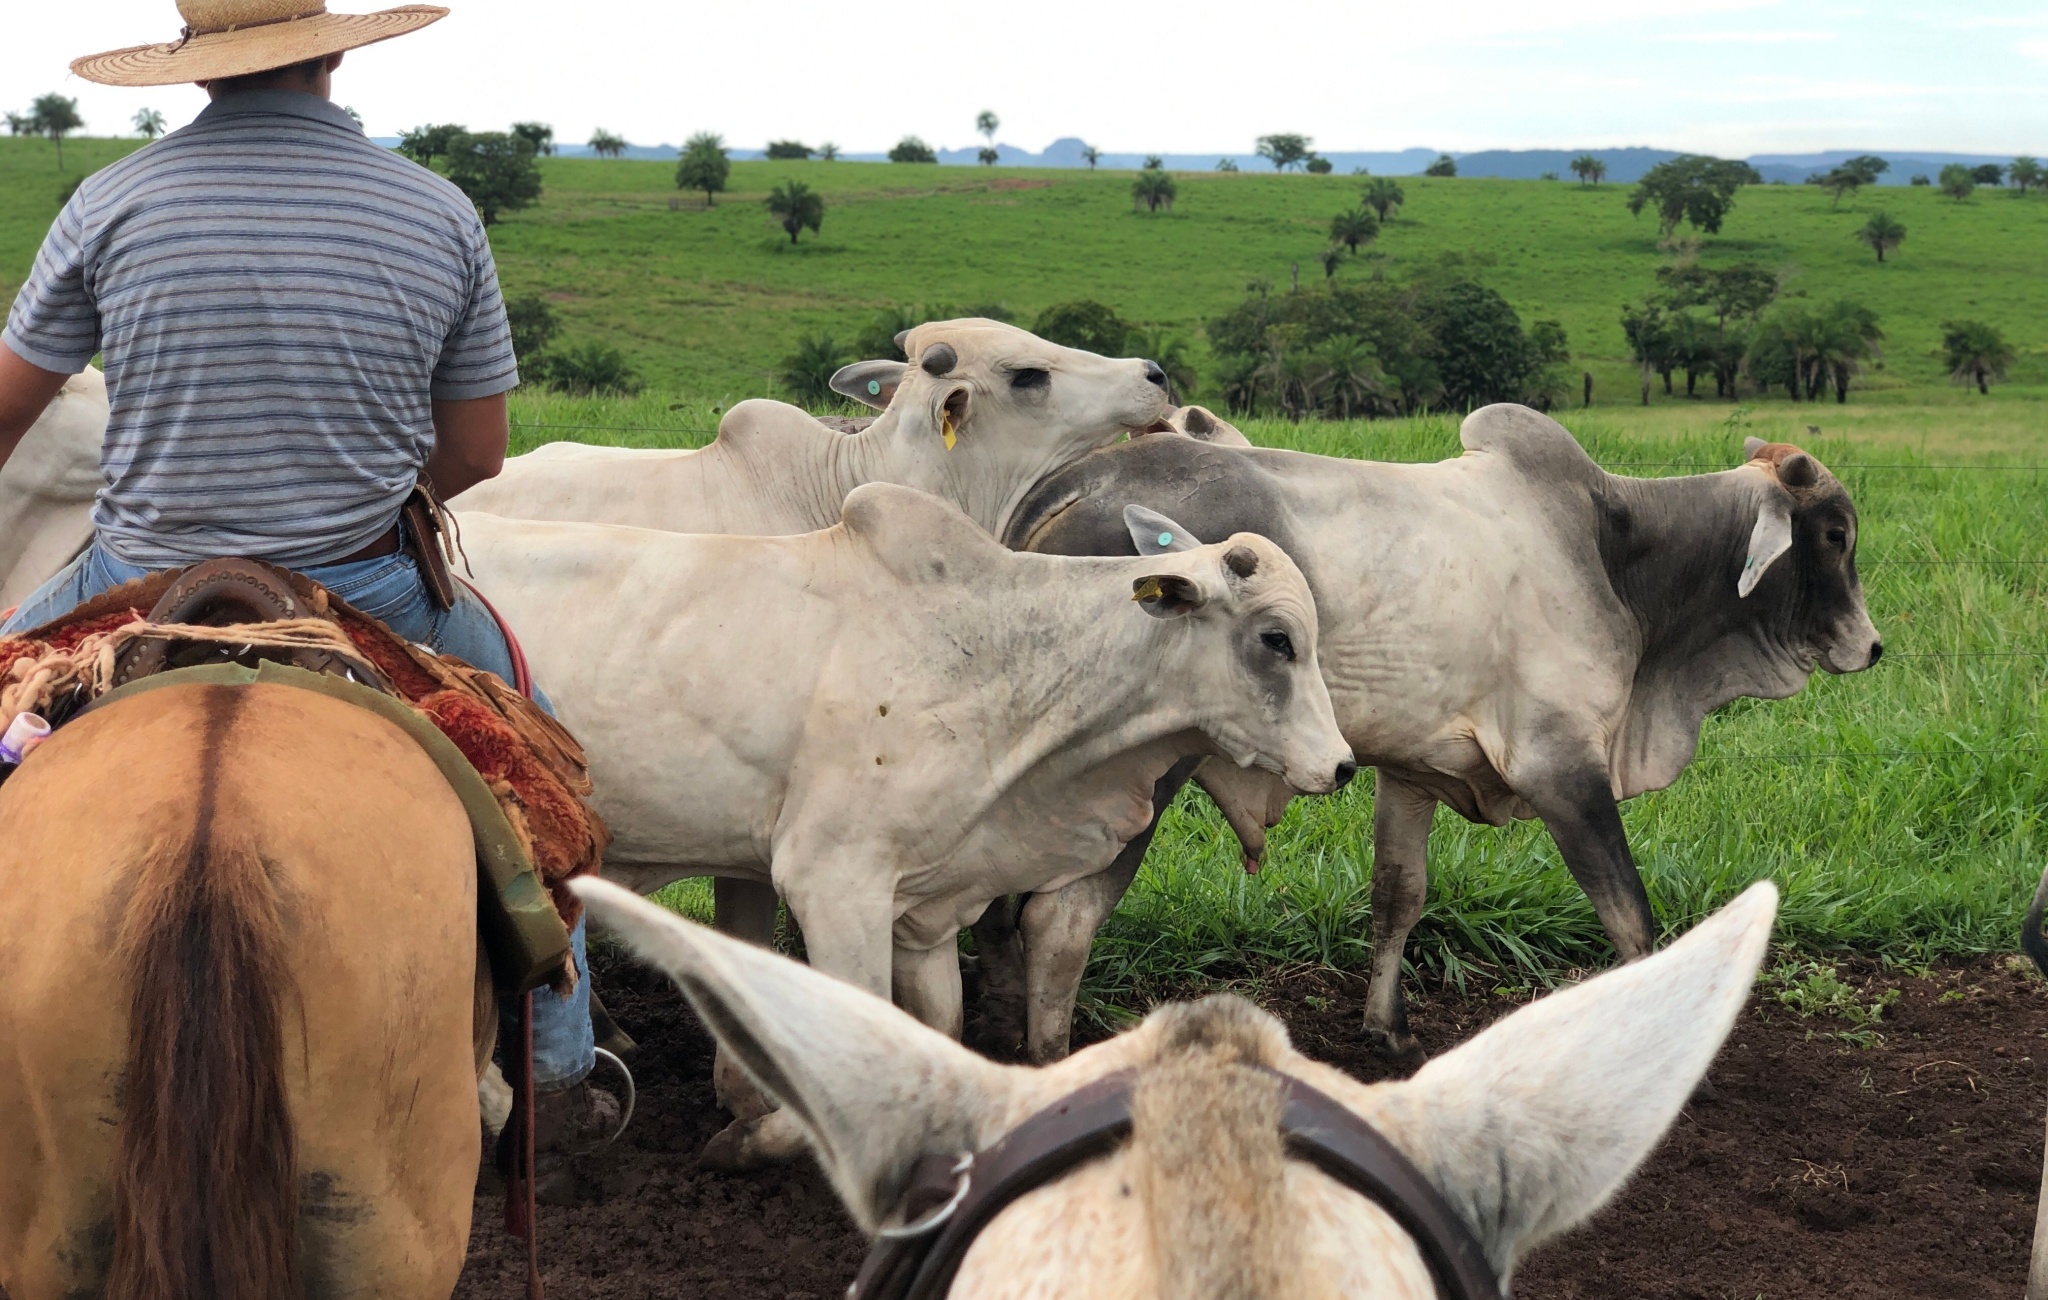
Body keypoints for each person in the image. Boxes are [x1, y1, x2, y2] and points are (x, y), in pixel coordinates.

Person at [0, 0, 621, 1185]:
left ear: (194, 68)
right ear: (335, 49)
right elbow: (477, 454)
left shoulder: (111, 200)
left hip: (134, 588)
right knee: (535, 762)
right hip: (366, 587)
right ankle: (555, 1058)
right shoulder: (436, 208)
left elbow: (3, 412)